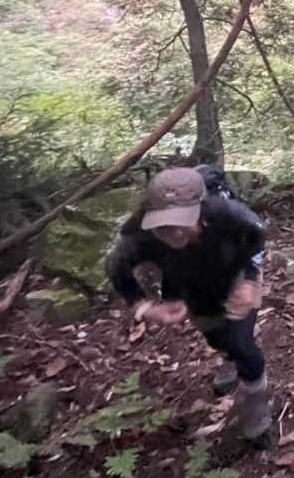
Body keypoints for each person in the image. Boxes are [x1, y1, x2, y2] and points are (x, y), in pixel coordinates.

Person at [105, 166, 272, 444]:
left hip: (233, 279)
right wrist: (146, 308)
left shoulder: (226, 213)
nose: (174, 232)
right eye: (163, 224)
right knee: (215, 336)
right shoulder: (140, 236)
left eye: (181, 221)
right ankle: (229, 358)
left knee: (242, 344)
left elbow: (257, 235)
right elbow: (116, 269)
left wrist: (250, 279)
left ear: (202, 210)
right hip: (189, 290)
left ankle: (256, 399)